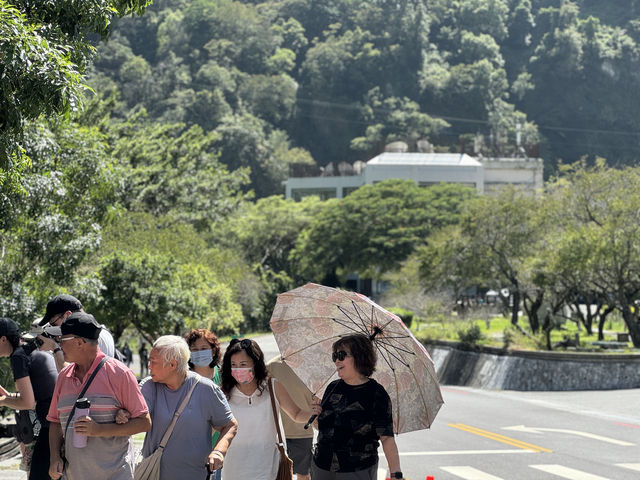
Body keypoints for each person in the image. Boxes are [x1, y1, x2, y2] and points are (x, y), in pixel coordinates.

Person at [47, 312, 151, 480]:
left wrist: (99, 430)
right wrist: (54, 458)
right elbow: (55, 422)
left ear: (79, 342)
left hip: (115, 475)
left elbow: (144, 422)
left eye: (61, 340)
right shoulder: (63, 377)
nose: (58, 345)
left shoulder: (120, 374)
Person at [220, 338, 321, 480]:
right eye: (234, 365)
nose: (238, 369)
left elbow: (296, 414)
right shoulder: (223, 393)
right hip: (234, 468)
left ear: (255, 363)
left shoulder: (272, 386)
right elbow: (213, 426)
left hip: (268, 467)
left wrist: (315, 412)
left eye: (243, 364)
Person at [139, 335, 238, 480]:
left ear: (172, 365)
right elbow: (136, 416)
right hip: (154, 474)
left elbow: (230, 425)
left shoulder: (206, 389)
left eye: (153, 362)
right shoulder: (149, 386)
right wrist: (123, 413)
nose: (149, 366)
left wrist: (218, 451)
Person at [311, 334, 403, 480]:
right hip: (321, 466)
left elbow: (386, 438)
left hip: (357, 470)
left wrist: (395, 473)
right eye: (334, 356)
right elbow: (322, 428)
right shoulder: (332, 387)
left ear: (359, 357)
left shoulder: (376, 393)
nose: (336, 360)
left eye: (341, 355)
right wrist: (316, 415)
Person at [0, 318, 58, 480]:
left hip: (50, 428)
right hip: (59, 424)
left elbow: (27, 403)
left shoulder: (18, 357)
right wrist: (9, 396)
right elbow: (38, 395)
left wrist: (3, 401)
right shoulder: (30, 350)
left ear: (3, 338)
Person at [37, 294, 115, 371]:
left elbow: (70, 378)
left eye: (54, 324)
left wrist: (55, 348)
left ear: (67, 315)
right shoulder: (103, 332)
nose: (53, 329)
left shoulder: (89, 336)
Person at [267, 355, 315, 480]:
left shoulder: (310, 366)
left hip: (301, 431)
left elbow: (315, 397)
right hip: (278, 433)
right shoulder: (271, 366)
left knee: (303, 475)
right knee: (281, 474)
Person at [184, 328, 223, 479]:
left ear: (213, 351)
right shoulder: (183, 379)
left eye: (204, 348)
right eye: (194, 349)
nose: (199, 352)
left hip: (218, 451)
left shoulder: (224, 376)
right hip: (190, 451)